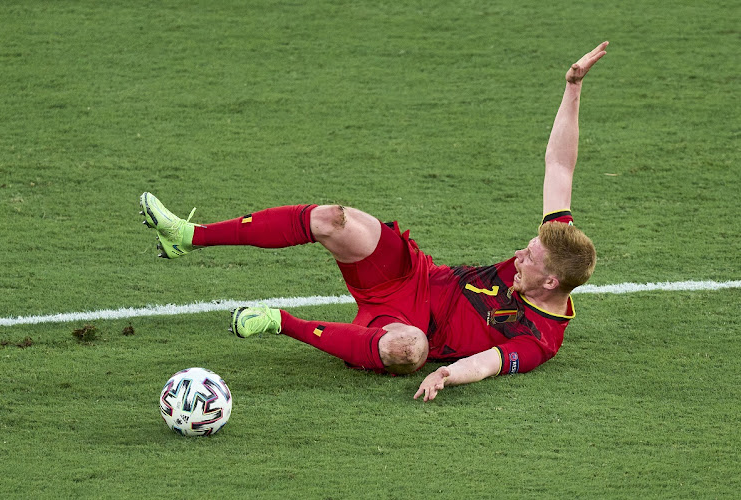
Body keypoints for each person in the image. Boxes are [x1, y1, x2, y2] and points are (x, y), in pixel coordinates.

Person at [140, 42, 607, 402]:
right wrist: (573, 85)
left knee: (411, 351)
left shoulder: (540, 340)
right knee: (331, 219)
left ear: (551, 279)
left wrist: (447, 373)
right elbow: (559, 166)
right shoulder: (557, 241)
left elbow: (488, 362)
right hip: (413, 274)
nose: (519, 255)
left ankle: (277, 321)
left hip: (404, 323)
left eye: (529, 258)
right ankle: (187, 236)